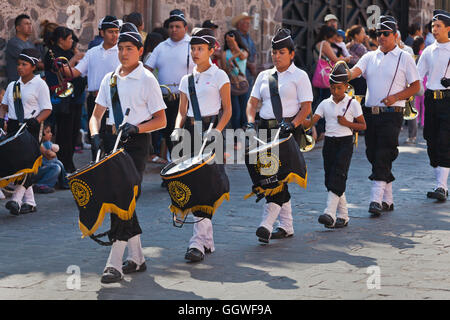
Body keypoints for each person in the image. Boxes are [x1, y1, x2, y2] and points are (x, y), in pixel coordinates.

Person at [90, 23, 167, 283]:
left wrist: (137, 127)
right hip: (112, 141)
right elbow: (95, 115)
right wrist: (95, 135)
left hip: (136, 142)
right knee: (119, 198)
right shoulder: (109, 79)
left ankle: (114, 263)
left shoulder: (147, 79)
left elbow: (161, 120)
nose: (123, 53)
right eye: (121, 48)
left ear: (140, 51)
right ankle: (137, 258)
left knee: (123, 197)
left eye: (129, 49)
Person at [347, 15, 420, 216]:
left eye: (385, 34)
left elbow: (416, 86)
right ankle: (388, 199)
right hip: (371, 114)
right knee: (373, 153)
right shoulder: (370, 56)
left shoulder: (405, 57)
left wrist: (396, 96)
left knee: (384, 153)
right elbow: (355, 72)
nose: (381, 37)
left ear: (395, 35)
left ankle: (375, 199)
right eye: (378, 34)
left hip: (392, 114)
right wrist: (340, 73)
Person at [246, 28, 313, 243]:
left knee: (275, 177)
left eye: (281, 52)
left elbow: (306, 107)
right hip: (264, 130)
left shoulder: (300, 76)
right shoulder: (264, 76)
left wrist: (292, 125)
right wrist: (249, 122)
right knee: (273, 178)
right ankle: (287, 225)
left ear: (291, 54)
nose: (276, 56)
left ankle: (266, 224)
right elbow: (252, 102)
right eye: (274, 52)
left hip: (285, 132)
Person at [170, 28, 232, 262]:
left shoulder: (220, 76)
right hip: (190, 133)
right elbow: (182, 112)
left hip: (212, 130)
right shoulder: (186, 80)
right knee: (194, 183)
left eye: (200, 49)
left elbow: (228, 110)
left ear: (211, 51)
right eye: (193, 49)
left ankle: (196, 241)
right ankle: (204, 239)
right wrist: (177, 128)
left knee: (207, 183)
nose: (195, 53)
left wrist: (216, 132)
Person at [304, 62, 366, 228]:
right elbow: (312, 122)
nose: (336, 91)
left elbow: (363, 125)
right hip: (329, 143)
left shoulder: (353, 104)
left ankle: (329, 213)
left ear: (346, 87)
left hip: (345, 142)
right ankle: (344, 216)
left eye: (339, 88)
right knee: (330, 178)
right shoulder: (325, 103)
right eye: (332, 88)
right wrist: (299, 120)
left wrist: (347, 123)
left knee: (339, 174)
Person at [0, 48, 52, 215]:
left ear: (33, 66)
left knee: (27, 163)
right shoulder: (12, 85)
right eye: (19, 64)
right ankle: (30, 202)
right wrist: (2, 121)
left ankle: (16, 199)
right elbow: (4, 107)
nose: (20, 67)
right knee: (17, 163)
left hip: (32, 126)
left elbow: (47, 109)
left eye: (24, 64)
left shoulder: (40, 84)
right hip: (15, 126)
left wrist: (35, 121)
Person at [67, 16, 121, 160]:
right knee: (95, 138)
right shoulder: (92, 53)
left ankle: (111, 173)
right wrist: (69, 61)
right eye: (111, 31)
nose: (115, 35)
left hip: (115, 102)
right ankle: (96, 171)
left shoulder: (122, 53)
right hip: (95, 101)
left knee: (112, 140)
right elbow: (74, 73)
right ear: (102, 33)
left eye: (117, 31)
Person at [145, 9, 194, 158]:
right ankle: (172, 171)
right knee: (169, 135)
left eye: (177, 26)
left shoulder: (192, 45)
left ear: (185, 28)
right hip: (165, 99)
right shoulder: (161, 47)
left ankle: (182, 170)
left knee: (182, 136)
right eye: (171, 27)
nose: (173, 29)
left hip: (185, 99)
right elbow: (147, 69)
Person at [417, 10, 450, 201]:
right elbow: (418, 75)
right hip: (431, 99)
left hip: (448, 99)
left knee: (445, 140)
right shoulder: (428, 51)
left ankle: (441, 186)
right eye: (433, 26)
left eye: (438, 26)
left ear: (448, 28)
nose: (434, 29)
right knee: (431, 139)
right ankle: (440, 182)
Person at [44, 26, 85, 173]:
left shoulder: (68, 51)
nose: (72, 41)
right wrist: (74, 58)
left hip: (75, 98)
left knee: (74, 133)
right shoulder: (52, 53)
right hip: (61, 99)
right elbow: (63, 71)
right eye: (69, 39)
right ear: (61, 40)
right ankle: (62, 165)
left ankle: (69, 163)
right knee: (64, 134)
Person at [221, 30, 249, 137]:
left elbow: (242, 57)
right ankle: (237, 137)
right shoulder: (225, 53)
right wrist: (229, 67)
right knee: (235, 112)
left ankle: (245, 134)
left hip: (243, 84)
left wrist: (234, 44)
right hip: (231, 84)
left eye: (231, 41)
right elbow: (224, 70)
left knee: (244, 111)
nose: (229, 43)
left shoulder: (243, 51)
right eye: (227, 41)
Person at [33, 124, 69, 193]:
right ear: (41, 134)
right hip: (34, 172)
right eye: (48, 132)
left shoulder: (46, 143)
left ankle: (65, 183)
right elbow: (50, 155)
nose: (51, 134)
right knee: (56, 167)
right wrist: (52, 151)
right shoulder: (39, 143)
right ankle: (41, 185)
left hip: (42, 169)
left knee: (58, 163)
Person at [5, 15, 37, 83]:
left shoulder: (31, 44)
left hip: (29, 81)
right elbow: (31, 61)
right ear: (18, 28)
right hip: (17, 82)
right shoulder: (13, 43)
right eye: (26, 24)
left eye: (30, 24)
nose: (30, 26)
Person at [232, 12, 257, 97]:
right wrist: (250, 65)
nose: (248, 25)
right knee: (243, 101)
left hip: (249, 74)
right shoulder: (235, 37)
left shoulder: (249, 38)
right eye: (246, 23)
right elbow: (235, 55)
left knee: (248, 99)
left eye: (248, 23)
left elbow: (254, 53)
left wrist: (254, 64)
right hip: (240, 74)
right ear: (239, 24)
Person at [412, 36, 426, 128]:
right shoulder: (423, 53)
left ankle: (416, 119)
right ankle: (423, 121)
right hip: (424, 79)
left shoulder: (412, 54)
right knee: (423, 103)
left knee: (416, 102)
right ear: (422, 45)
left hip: (415, 79)